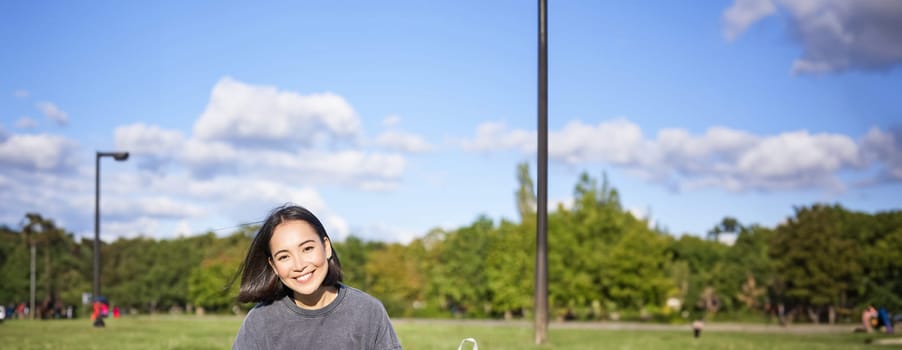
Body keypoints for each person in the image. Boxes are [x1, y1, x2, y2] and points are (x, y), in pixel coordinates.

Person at [232, 204, 402, 350]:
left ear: (326, 247)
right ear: (274, 266)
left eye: (307, 249)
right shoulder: (260, 320)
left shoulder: (367, 311)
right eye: (284, 256)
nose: (299, 266)